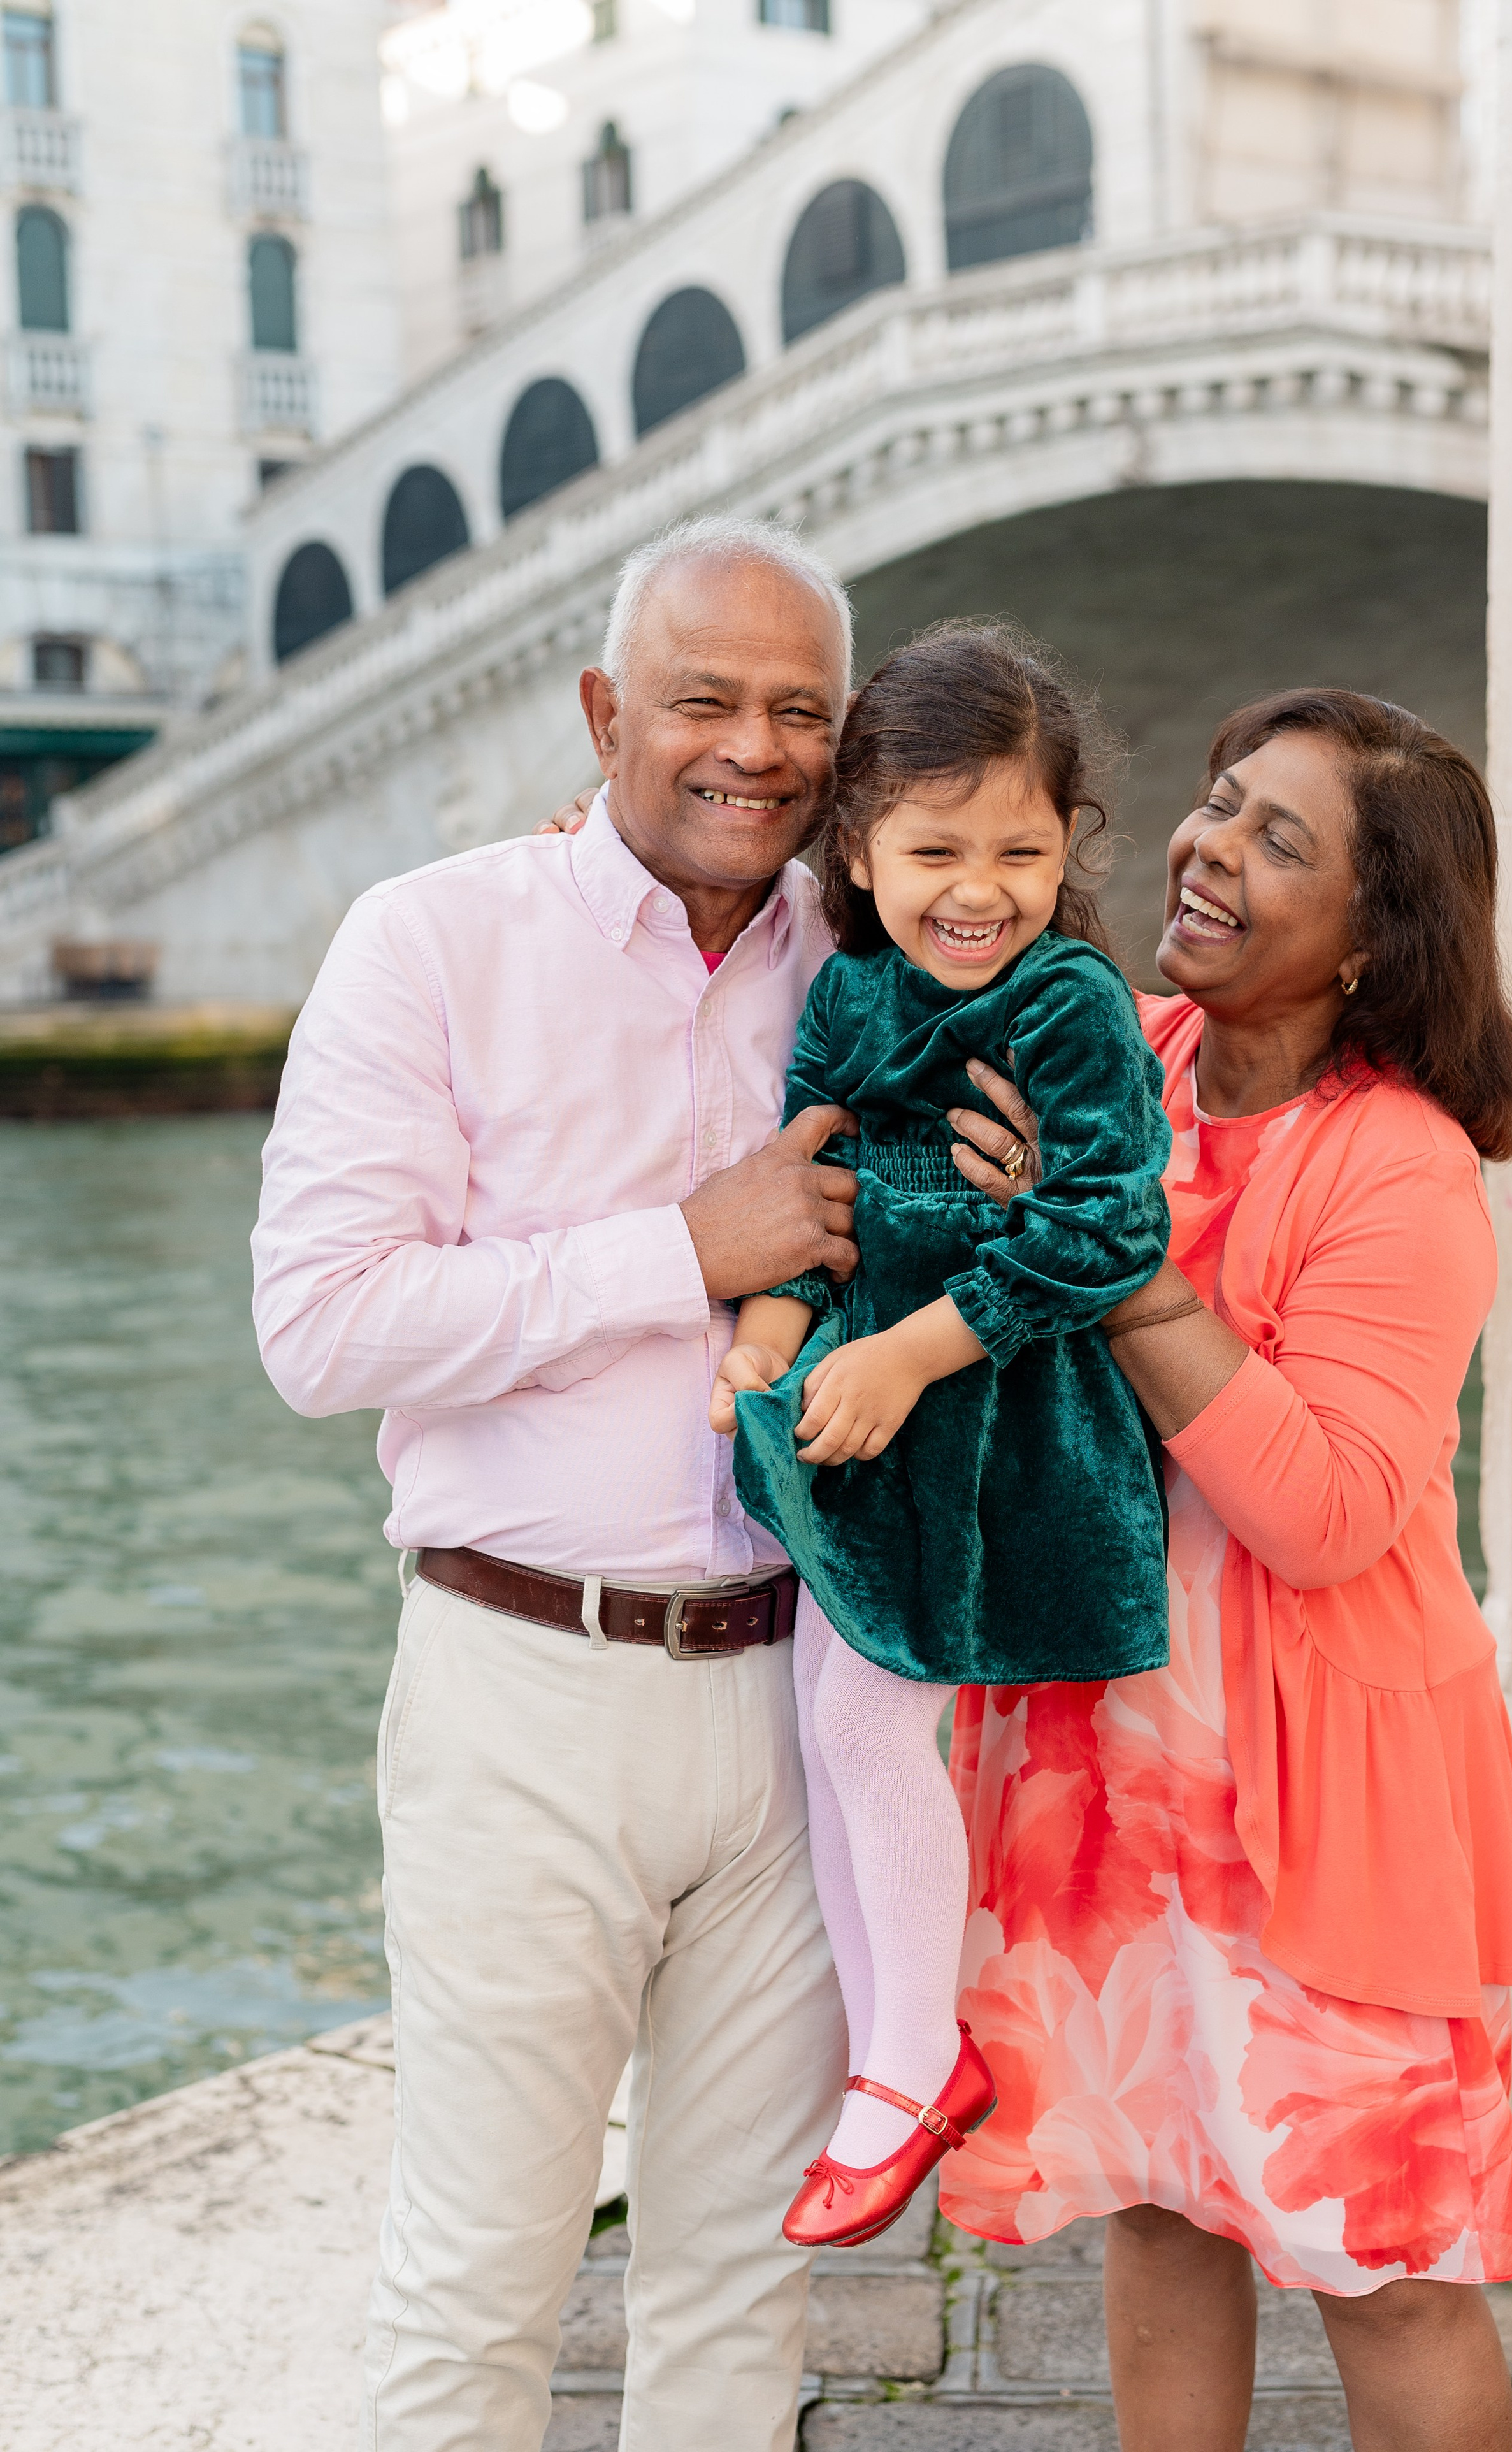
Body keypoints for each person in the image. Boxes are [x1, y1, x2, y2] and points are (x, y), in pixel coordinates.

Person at [252, 515, 873, 2452]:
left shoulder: (867, 971)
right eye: (703, 700)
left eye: (799, 713)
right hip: (525, 1690)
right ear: (607, 713)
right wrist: (680, 1249)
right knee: (480, 2278)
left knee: (745, 2278)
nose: (753, 748)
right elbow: (323, 1331)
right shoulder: (431, 938)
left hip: (805, 1696)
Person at [937, 688, 1512, 2452]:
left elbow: (1329, 1512)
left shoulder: (1403, 1170)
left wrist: (1110, 1253)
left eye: (1282, 838)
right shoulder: (1109, 1058)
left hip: (1319, 1799)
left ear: (1378, 941)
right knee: (1155, 2193)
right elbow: (909, 977)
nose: (1209, 845)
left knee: (1391, 2255)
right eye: (1219, 805)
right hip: (1104, 1771)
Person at [709, 626, 1175, 2250]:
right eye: (931, 850)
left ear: (1067, 849)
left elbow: (1110, 1229)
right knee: (836, 1722)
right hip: (858, 1415)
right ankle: (889, 2056)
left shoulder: (1068, 1000)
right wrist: (763, 1345)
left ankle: (915, 2060)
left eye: (1019, 850)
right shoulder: (844, 989)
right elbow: (808, 1181)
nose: (976, 889)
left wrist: (904, 1354)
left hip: (986, 1414)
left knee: (862, 1731)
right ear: (853, 845)